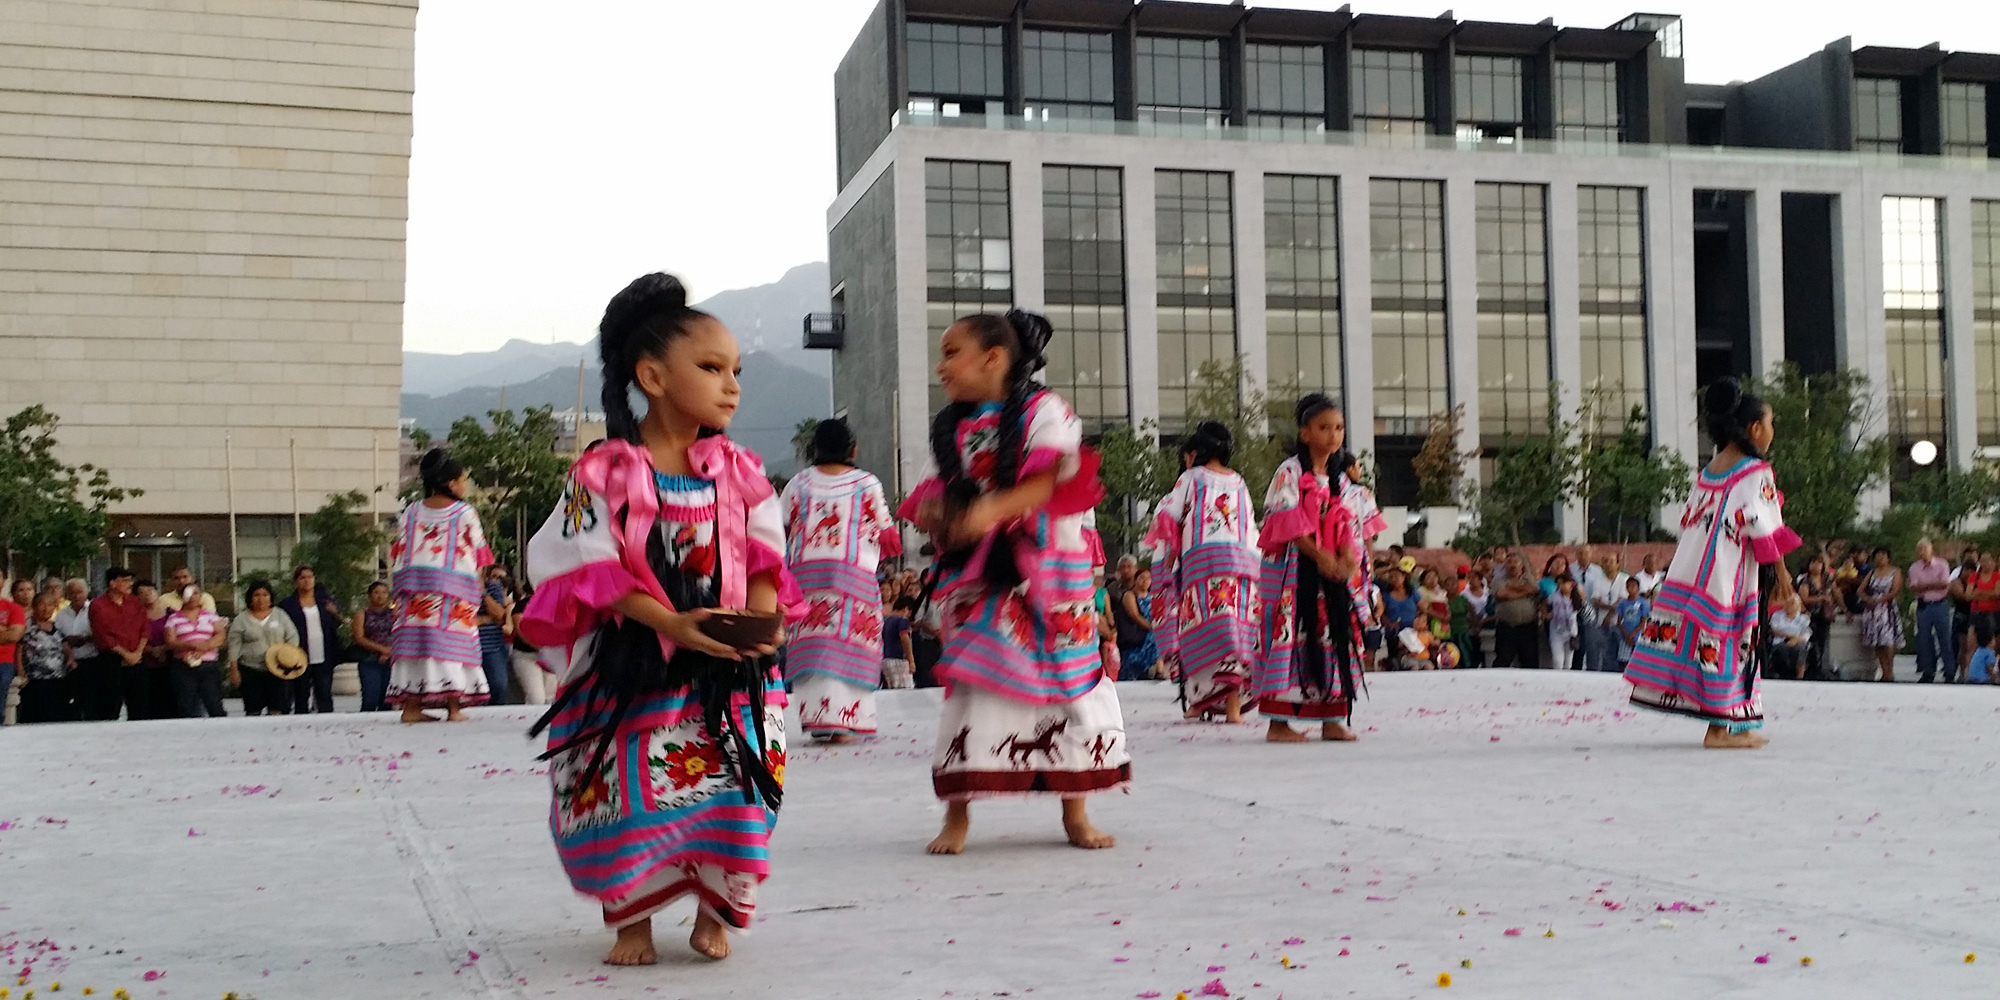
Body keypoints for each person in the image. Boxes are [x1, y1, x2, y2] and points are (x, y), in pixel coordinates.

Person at [519, 272, 799, 964]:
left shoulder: (742, 469)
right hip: (634, 666)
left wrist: (760, 627)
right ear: (651, 375)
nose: (731, 384)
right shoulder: (604, 472)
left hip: (729, 667)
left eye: (735, 369)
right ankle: (633, 923)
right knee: (626, 785)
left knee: (738, 785)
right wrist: (670, 623)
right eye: (710, 367)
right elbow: (585, 565)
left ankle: (716, 911)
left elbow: (766, 561)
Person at [895, 308, 1127, 857]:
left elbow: (1049, 481)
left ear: (994, 357)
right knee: (973, 681)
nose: (941, 365)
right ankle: (958, 813)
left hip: (1049, 569)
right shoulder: (951, 428)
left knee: (1067, 682)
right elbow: (935, 493)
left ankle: (1076, 807)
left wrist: (991, 510)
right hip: (978, 573)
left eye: (952, 352)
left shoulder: (1047, 411)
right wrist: (942, 514)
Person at [1625, 378, 1799, 748]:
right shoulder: (1755, 472)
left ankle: (1736, 723)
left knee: (1714, 641)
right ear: (1754, 428)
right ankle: (1720, 728)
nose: (1773, 432)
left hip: (1694, 572)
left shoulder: (1709, 471)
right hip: (1728, 574)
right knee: (1731, 640)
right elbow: (1766, 528)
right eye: (1771, 424)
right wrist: (1783, 576)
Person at [780, 417, 901, 742]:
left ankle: (821, 721)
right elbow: (887, 532)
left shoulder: (798, 484)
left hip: (804, 581)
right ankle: (845, 723)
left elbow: (783, 528)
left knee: (815, 647)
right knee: (847, 646)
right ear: (853, 449)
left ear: (814, 450)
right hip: (854, 582)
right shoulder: (866, 483)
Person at [1254, 394, 1361, 742]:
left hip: (1327, 573)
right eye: (1324, 427)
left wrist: (1346, 559)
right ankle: (1278, 724)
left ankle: (1331, 717)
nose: (1333, 434)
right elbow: (1286, 522)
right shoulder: (1289, 472)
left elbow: (1347, 523)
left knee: (1332, 633)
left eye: (1339, 428)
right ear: (1304, 433)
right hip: (1292, 570)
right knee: (1289, 634)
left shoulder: (1339, 479)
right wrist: (1321, 557)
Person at [1144, 420, 1260, 722]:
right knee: (1232, 633)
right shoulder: (1239, 481)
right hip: (1239, 565)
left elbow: (1168, 518)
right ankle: (1216, 704)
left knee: (1200, 633)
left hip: (1201, 564)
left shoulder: (1191, 478)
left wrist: (1169, 559)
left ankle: (1205, 702)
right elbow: (1250, 527)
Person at [387, 450, 494, 722]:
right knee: (449, 646)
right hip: (453, 591)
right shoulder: (464, 512)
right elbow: (479, 553)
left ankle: (411, 708)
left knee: (417, 645)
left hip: (414, 592)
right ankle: (453, 708)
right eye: (462, 479)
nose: (464, 484)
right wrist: (477, 585)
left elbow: (399, 552)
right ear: (450, 483)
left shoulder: (410, 512)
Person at [227, 581, 300, 716]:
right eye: (257, 595)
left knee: (278, 708)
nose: (261, 599)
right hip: (251, 669)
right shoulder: (241, 619)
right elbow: (234, 645)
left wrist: (287, 655)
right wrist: (234, 669)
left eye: (265, 595)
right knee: (253, 709)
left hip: (278, 669)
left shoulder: (280, 615)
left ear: (271, 597)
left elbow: (293, 636)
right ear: (250, 598)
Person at [83, 568, 146, 721]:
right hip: (112, 660)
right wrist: (125, 655)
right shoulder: (98, 605)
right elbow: (103, 636)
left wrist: (137, 653)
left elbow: (144, 628)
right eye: (125, 580)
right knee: (109, 707)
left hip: (137, 658)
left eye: (130, 580)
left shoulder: (135, 602)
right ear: (112, 583)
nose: (129, 584)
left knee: (140, 707)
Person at [279, 566, 343, 713]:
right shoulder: (288, 604)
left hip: (323, 653)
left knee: (324, 694)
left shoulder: (324, 601)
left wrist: (335, 613)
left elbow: (338, 622)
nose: (307, 581)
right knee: (301, 694)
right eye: (302, 577)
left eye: (310, 577)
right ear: (296, 582)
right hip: (299, 655)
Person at [162, 582, 228, 718]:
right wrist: (191, 645)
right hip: (183, 665)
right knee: (186, 704)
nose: (192, 597)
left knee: (214, 702)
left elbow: (220, 635)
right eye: (189, 594)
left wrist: (206, 646)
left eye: (196, 593)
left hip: (208, 664)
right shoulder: (173, 618)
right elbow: (170, 641)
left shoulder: (210, 616)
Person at [17, 591, 73, 723]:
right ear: (34, 607)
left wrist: (70, 659)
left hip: (58, 679)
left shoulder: (57, 628)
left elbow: (65, 647)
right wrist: (21, 672)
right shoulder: (27, 628)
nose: (45, 608)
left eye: (50, 605)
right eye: (41, 604)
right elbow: (19, 651)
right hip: (35, 681)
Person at [1908, 539, 1955, 683]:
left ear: (1931, 550)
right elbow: (1914, 587)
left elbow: (1944, 584)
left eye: (1925, 548)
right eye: (1920, 549)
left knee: (1944, 639)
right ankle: (1928, 671)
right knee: (1924, 639)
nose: (1922, 552)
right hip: (1923, 606)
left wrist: (1925, 586)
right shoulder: (1914, 568)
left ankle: (1949, 671)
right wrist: (1933, 585)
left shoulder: (1942, 564)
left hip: (1940, 605)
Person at [131, 578, 176, 720]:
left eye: (150, 590)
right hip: (145, 667)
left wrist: (164, 648)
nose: (147, 594)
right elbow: (131, 639)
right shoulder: (134, 617)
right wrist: (151, 650)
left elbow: (181, 634)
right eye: (142, 592)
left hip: (170, 665)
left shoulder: (171, 614)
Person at [1858, 547, 1903, 683]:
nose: (1880, 558)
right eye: (1878, 555)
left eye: (1883, 555)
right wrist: (1868, 599)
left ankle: (1890, 670)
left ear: (1888, 558)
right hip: (1873, 610)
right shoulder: (1872, 573)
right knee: (1877, 642)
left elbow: (1895, 590)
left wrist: (1880, 600)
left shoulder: (1895, 572)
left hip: (1886, 608)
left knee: (1888, 641)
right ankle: (1883, 671)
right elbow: (1860, 590)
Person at [1489, 553, 1540, 669]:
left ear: (1521, 565)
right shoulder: (1498, 580)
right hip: (1507, 627)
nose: (1512, 565)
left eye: (1515, 562)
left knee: (1530, 661)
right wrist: (1524, 591)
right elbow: (1502, 594)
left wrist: (1511, 588)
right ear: (1504, 565)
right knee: (1502, 661)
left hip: (1528, 628)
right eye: (1509, 562)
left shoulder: (1528, 578)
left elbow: (1534, 589)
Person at [351, 581, 396, 712]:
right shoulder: (362, 614)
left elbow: (401, 633)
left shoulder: (394, 614)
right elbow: (359, 638)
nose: (380, 596)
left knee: (387, 699)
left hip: (391, 659)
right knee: (370, 697)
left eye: (384, 592)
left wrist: (389, 652)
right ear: (369, 595)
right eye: (376, 592)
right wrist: (382, 649)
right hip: (369, 659)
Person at [476, 566, 516, 705]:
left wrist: (483, 593)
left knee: (499, 685)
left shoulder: (493, 588)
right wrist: (485, 619)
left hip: (493, 647)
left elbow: (499, 616)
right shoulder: (458, 586)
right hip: (469, 646)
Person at [1582, 552, 1627, 674]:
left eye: (1611, 561)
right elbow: (1596, 600)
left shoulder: (1624, 580)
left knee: (1621, 654)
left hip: (1620, 623)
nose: (1607, 564)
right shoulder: (1597, 581)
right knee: (1605, 653)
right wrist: (1611, 607)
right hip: (1602, 622)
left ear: (1618, 564)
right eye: (1605, 561)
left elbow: (1623, 600)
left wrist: (1610, 613)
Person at [1794, 555, 1837, 680]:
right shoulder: (1805, 581)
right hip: (1810, 616)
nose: (1816, 566)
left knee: (1823, 643)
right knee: (1811, 642)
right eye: (1813, 562)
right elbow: (1804, 598)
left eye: (1819, 563)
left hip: (1824, 616)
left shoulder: (1827, 579)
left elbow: (1836, 592)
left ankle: (1821, 669)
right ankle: (1810, 668)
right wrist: (1820, 598)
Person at [1117, 566, 1161, 681]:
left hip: (1150, 632)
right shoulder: (1129, 595)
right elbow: (1135, 615)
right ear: (1135, 580)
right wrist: (1152, 628)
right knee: (1156, 636)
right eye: (1142, 578)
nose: (1145, 581)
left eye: (1148, 578)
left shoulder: (1153, 596)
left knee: (1160, 637)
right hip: (1136, 634)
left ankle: (1159, 671)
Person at [509, 587, 550, 707]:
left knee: (550, 698)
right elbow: (520, 630)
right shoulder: (522, 606)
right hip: (526, 656)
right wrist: (542, 647)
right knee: (536, 698)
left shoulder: (558, 604)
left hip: (551, 655)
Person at [1767, 593, 1812, 680]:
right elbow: (1773, 630)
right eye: (1788, 603)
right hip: (1780, 640)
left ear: (1798, 605)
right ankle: (1782, 674)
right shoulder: (1777, 615)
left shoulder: (1803, 619)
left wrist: (1796, 639)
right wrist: (1789, 636)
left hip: (1797, 641)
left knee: (1801, 648)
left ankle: (1800, 676)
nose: (1790, 605)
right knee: (1781, 648)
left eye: (1793, 603)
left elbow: (1807, 633)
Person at [882, 591, 916, 690]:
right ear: (906, 609)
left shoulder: (885, 620)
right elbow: (905, 639)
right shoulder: (902, 621)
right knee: (905, 690)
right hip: (898, 660)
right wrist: (911, 660)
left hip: (885, 659)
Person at [1546, 574, 1581, 670]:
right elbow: (1544, 604)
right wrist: (1547, 614)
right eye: (1559, 584)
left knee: (1568, 662)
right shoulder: (1554, 597)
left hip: (1571, 632)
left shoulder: (1575, 597)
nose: (1561, 586)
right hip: (1557, 631)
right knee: (1558, 661)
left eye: (1563, 583)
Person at [0, 579, 23, 725]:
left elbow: (14, 635)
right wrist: (3, 630)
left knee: (2, 681)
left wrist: (8, 632)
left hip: (4, 661)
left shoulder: (13, 609)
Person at [1613, 576, 1648, 670]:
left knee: (1637, 659)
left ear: (1638, 588)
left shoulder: (1643, 603)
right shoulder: (1623, 603)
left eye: (1634, 586)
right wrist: (1626, 635)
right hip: (1625, 636)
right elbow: (1619, 621)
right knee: (1625, 659)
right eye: (1629, 586)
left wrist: (1633, 634)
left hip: (1638, 636)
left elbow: (1643, 621)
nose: (1631, 588)